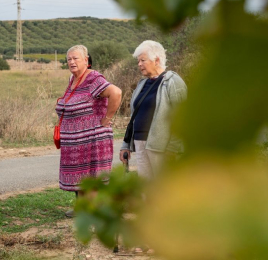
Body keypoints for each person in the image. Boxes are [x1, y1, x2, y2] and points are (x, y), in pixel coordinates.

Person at [56, 45, 122, 207]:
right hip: (76, 141)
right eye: (69, 59)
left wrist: (108, 117)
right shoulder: (73, 79)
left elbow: (116, 92)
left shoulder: (94, 78)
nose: (71, 62)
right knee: (81, 178)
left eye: (75, 58)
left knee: (91, 177)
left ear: (86, 60)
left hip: (93, 139)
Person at [120, 40, 187, 179]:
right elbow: (134, 116)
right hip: (140, 143)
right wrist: (125, 144)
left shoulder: (173, 82)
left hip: (162, 149)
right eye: (138, 61)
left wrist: (173, 149)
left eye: (142, 60)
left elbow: (183, 118)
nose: (139, 64)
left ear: (156, 60)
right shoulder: (142, 83)